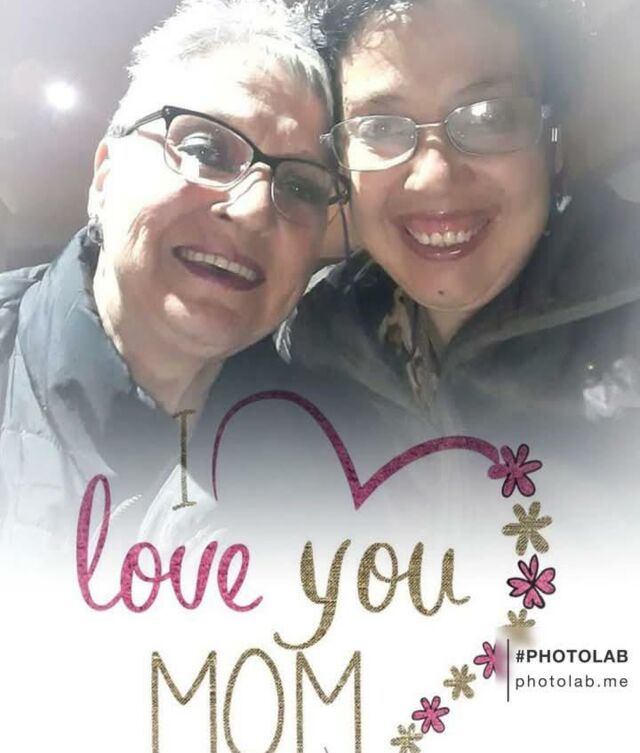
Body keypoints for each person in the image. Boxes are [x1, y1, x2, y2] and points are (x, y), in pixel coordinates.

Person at [0, 0, 347, 551]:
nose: (255, 209)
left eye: (300, 186)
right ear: (103, 178)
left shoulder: (335, 444)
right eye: (205, 149)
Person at [285, 0, 640, 444]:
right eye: (380, 128)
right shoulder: (315, 339)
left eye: (490, 117)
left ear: (554, 145)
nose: (435, 178)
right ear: (340, 162)